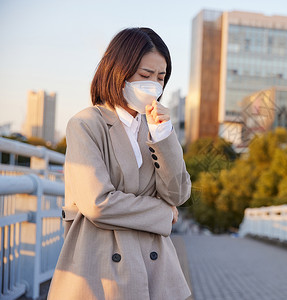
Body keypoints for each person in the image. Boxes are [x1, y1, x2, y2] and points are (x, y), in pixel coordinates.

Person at [48, 27, 191, 300]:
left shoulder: (153, 129)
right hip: (100, 268)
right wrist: (163, 214)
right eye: (145, 75)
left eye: (161, 77)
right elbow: (98, 203)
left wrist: (164, 135)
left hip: (154, 268)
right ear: (119, 71)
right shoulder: (86, 124)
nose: (154, 85)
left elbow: (178, 194)